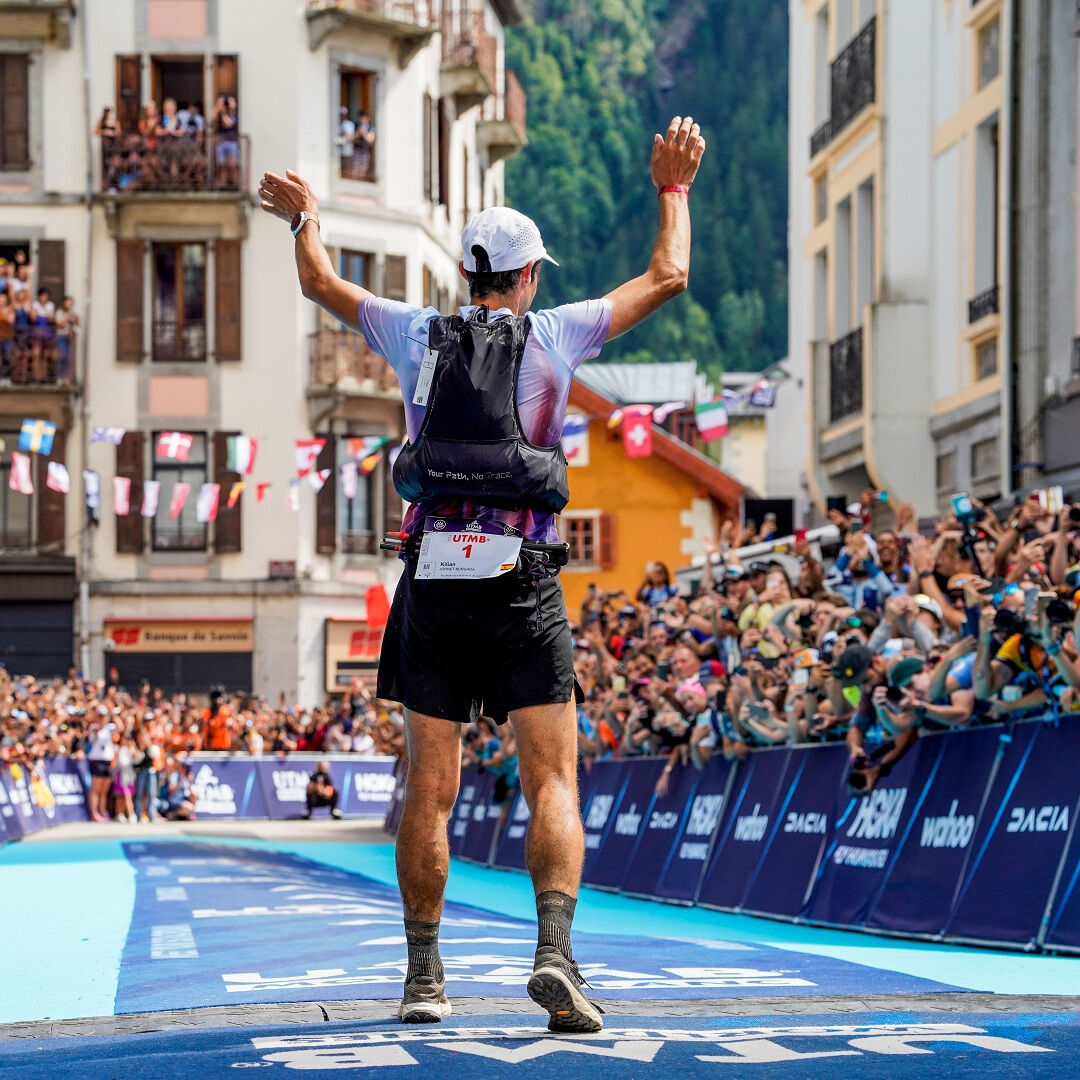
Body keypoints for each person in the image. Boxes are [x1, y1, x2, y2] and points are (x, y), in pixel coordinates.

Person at [259, 112, 705, 1031]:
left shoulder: (414, 333)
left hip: (432, 576)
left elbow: (318, 282)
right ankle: (553, 955)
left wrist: (306, 217)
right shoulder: (553, 335)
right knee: (552, 780)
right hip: (522, 579)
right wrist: (674, 190)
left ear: (465, 272)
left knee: (430, 786)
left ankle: (424, 978)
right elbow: (669, 275)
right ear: (530, 274)